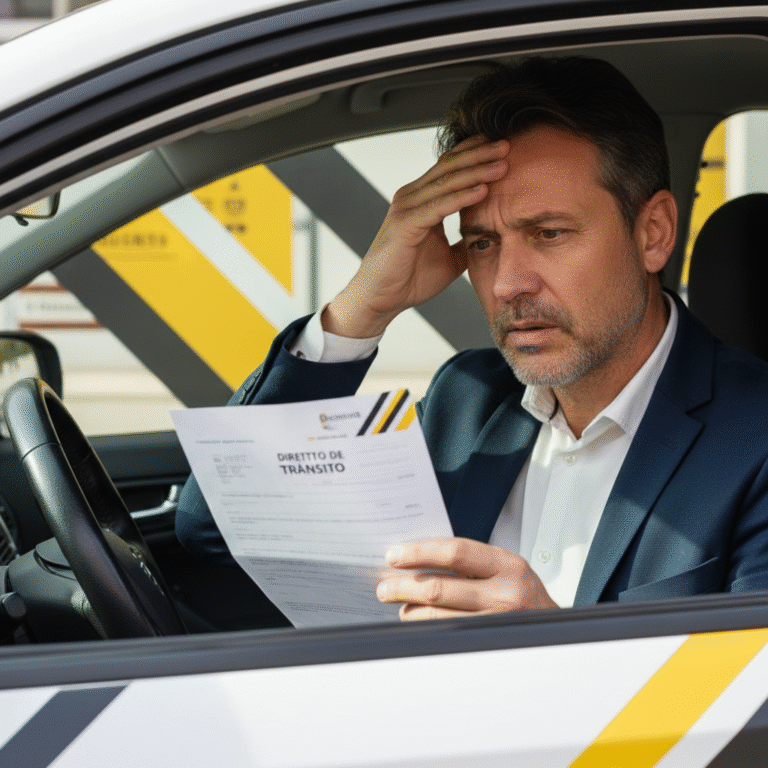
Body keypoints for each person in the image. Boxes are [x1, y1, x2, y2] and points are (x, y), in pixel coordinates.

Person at [176, 56, 768, 620]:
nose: (507, 284)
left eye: (549, 233)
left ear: (654, 233)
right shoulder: (467, 402)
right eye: (483, 243)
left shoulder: (755, 441)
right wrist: (363, 307)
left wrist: (556, 648)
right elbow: (219, 527)